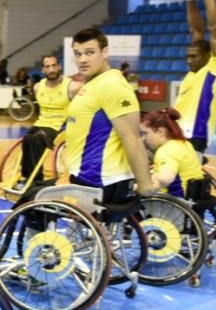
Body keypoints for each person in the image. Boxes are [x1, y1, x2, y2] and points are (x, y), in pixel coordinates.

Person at [62, 27, 156, 202]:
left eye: (89, 53)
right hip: (84, 173)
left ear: (104, 52)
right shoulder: (93, 83)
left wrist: (144, 184)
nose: (82, 59)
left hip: (102, 179)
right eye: (77, 53)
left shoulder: (112, 85)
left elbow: (132, 137)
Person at [174, 0, 216, 153]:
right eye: (187, 56)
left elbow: (215, 28)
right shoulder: (194, 72)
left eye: (193, 56)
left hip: (195, 137)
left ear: (209, 56)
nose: (189, 60)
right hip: (175, 133)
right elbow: (196, 30)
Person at [15, 55, 79, 189]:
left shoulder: (72, 87)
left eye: (54, 65)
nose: (51, 69)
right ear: (43, 69)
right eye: (47, 66)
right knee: (27, 138)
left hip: (60, 126)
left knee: (36, 139)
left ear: (59, 66)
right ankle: (28, 176)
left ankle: (34, 180)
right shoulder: (38, 87)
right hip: (41, 122)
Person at [140, 108, 205, 198]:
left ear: (160, 132)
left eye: (145, 133)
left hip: (171, 202)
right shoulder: (184, 143)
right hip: (193, 198)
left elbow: (165, 178)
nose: (143, 138)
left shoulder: (166, 151)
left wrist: (145, 179)